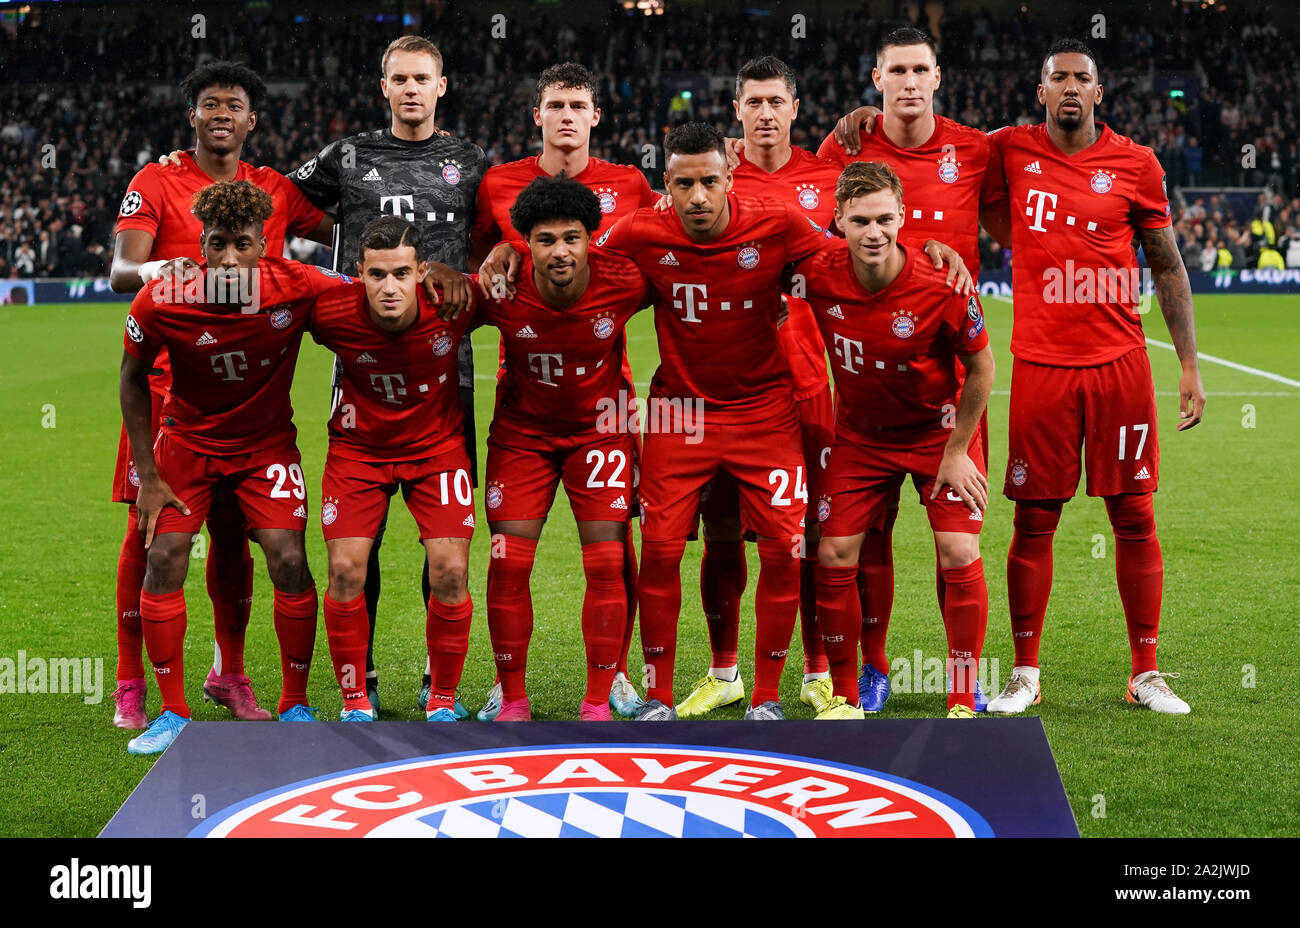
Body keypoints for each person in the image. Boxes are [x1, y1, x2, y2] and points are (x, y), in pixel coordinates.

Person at [980, 39, 1205, 715]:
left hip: (1120, 367)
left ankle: (1146, 673)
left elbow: (1166, 266)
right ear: (1041, 91)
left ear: (1099, 93)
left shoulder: (1136, 163)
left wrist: (1189, 365)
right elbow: (937, 148)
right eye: (1059, 79)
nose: (1071, 87)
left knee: (1134, 515)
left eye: (1083, 78)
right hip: (1043, 367)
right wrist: (859, 125)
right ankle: (1025, 673)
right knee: (1033, 519)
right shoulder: (1008, 149)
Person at [109, 60, 331, 730]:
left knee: (236, 540)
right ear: (193, 115)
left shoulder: (274, 188)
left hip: (248, 398)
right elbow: (120, 268)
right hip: (165, 387)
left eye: (235, 105)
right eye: (211, 104)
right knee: (149, 536)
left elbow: (339, 235)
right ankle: (129, 681)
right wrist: (153, 269)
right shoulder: (156, 178)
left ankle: (228, 673)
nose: (222, 115)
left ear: (252, 119)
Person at [289, 35, 489, 715]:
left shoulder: (468, 160)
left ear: (441, 86)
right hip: (365, 365)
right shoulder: (350, 155)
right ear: (384, 87)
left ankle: (441, 684)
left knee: (448, 549)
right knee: (358, 549)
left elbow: (492, 242)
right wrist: (341, 248)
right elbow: (280, 202)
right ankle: (362, 678)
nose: (409, 89)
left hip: (448, 372)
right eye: (398, 78)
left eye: (421, 79)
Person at [816, 26, 1003, 712]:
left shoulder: (979, 148)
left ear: (939, 76)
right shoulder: (847, 145)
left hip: (945, 389)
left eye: (921, 68)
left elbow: (1022, 219)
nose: (910, 81)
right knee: (863, 544)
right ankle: (869, 670)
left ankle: (963, 685)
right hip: (865, 404)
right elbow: (816, 221)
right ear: (877, 78)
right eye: (897, 70)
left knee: (957, 549)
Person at [467, 61, 657, 720]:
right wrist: (491, 257)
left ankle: (614, 677)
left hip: (605, 392)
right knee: (507, 555)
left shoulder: (630, 184)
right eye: (556, 105)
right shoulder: (497, 183)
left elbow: (662, 257)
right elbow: (474, 268)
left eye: (579, 104)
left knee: (611, 550)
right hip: (523, 392)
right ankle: (507, 686)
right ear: (538, 115)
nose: (567, 115)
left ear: (596, 116)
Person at [308, 215, 476, 722]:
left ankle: (442, 699)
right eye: (377, 274)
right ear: (357, 271)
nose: (389, 287)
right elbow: (268, 302)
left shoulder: (454, 303)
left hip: (437, 449)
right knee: (344, 570)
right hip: (358, 451)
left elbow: (521, 294)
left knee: (450, 570)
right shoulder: (331, 311)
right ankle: (356, 699)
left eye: (401, 273)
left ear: (422, 271)